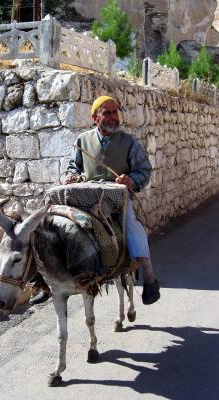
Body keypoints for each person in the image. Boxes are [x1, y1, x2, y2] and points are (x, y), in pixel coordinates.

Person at [30, 95, 160, 306]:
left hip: (117, 198)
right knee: (50, 223)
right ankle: (43, 280)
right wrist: (71, 176)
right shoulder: (83, 140)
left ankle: (149, 277)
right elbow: (74, 167)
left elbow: (144, 171)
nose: (112, 117)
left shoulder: (129, 142)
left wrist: (130, 179)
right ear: (95, 117)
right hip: (85, 195)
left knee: (133, 227)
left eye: (115, 112)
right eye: (106, 113)